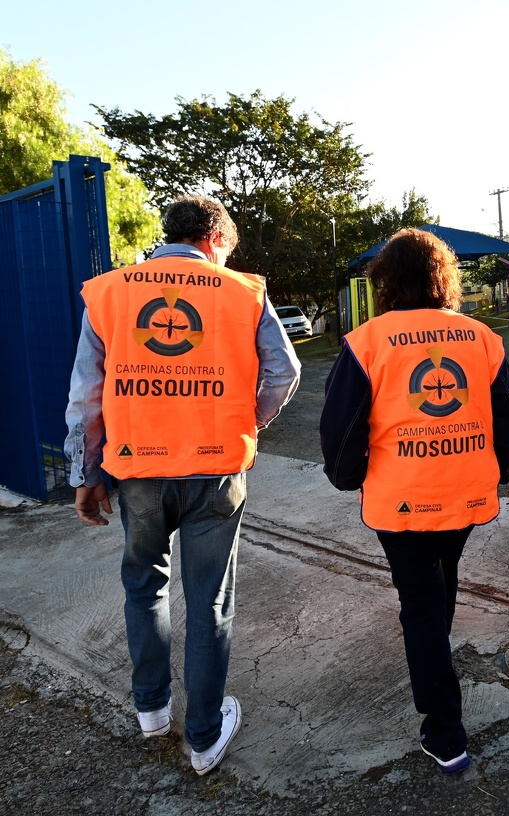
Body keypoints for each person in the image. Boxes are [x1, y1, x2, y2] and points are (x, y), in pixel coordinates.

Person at [64, 195, 300, 776]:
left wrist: (86, 473)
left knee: (144, 586)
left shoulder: (111, 292)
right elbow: (284, 370)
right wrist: (249, 418)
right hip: (216, 471)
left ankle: (150, 711)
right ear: (215, 238)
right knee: (209, 598)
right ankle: (203, 736)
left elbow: (86, 395)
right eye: (228, 250)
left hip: (138, 470)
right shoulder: (243, 292)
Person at [319, 228, 509, 774]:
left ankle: (445, 733)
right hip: (464, 493)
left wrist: (348, 476)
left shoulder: (367, 342)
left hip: (401, 501)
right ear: (444, 278)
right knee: (439, 587)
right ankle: (438, 671)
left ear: (385, 281)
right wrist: (498, 469)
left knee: (421, 604)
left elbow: (340, 428)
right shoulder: (479, 337)